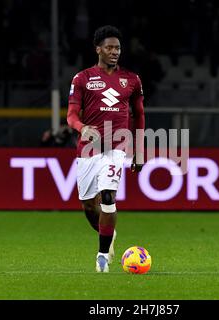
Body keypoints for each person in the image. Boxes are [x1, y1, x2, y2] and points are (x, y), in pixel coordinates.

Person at [67, 26, 145, 273]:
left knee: (108, 196)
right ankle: (108, 235)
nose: (114, 52)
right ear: (98, 49)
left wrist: (139, 151)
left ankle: (102, 257)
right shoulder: (82, 79)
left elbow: (140, 116)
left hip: (116, 147)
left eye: (118, 48)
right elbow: (70, 115)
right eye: (109, 47)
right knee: (89, 205)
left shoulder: (132, 80)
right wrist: (82, 128)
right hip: (88, 149)